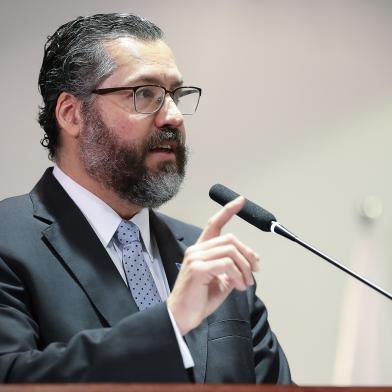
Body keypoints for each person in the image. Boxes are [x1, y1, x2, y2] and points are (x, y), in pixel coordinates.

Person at [0, 13, 291, 383]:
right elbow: (11, 377)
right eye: (144, 94)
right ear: (72, 114)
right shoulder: (8, 241)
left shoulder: (208, 259)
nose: (172, 116)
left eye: (176, 95)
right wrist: (169, 323)